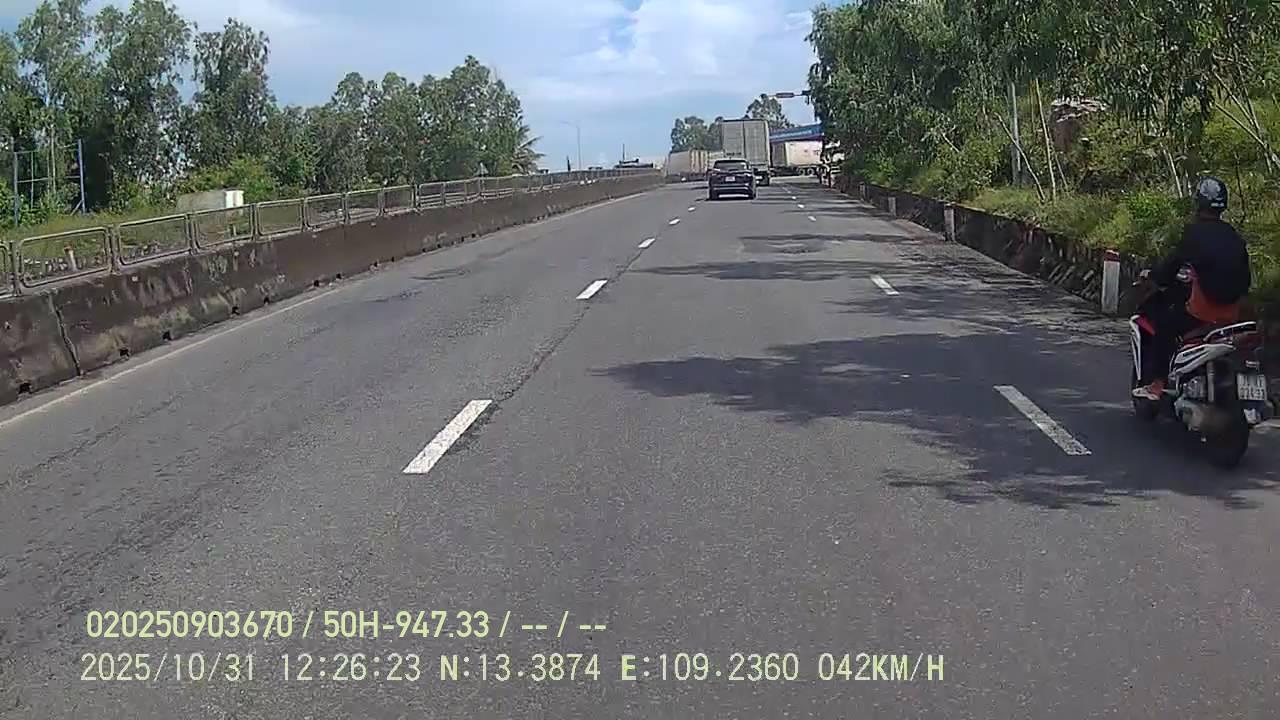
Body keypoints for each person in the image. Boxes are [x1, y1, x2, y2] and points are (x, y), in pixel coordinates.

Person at [1133, 176, 1252, 400]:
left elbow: (1171, 266)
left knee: (1164, 325)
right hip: (1232, 315)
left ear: (1199, 203)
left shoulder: (1194, 234)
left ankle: (1157, 384)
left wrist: (1153, 276)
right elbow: (1246, 278)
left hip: (1201, 313)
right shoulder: (1234, 236)